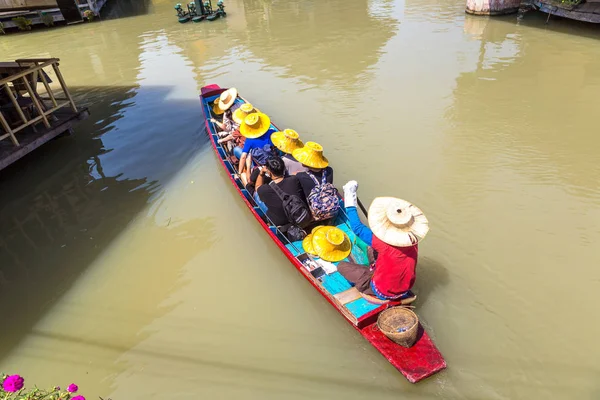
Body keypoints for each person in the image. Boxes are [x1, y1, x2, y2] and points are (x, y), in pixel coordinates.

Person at [338, 180, 429, 303]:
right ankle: (371, 275)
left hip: (381, 290)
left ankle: (361, 286)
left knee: (342, 266)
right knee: (371, 249)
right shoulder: (412, 240)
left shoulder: (383, 244)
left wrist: (350, 196)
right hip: (404, 289)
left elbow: (357, 228)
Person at [255, 156, 308, 226]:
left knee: (256, 195)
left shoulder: (264, 189)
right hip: (299, 216)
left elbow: (257, 187)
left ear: (269, 173)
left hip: (281, 223)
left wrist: (261, 173)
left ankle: (267, 222)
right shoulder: (294, 180)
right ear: (284, 169)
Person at [238, 112, 273, 185]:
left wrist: (239, 173)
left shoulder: (249, 139)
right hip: (273, 162)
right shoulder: (272, 132)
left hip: (259, 166)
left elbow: (243, 156)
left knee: (243, 174)